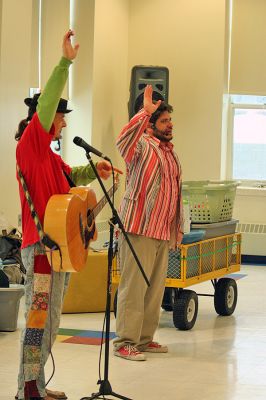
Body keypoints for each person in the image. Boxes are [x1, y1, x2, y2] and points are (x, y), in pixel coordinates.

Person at [15, 30, 111, 400]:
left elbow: (69, 178)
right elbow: (45, 105)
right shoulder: (31, 144)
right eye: (62, 115)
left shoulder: (50, 157)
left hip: (56, 250)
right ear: (47, 116)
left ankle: (36, 384)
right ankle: (28, 390)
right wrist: (65, 62)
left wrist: (94, 172)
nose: (65, 122)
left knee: (50, 319)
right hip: (40, 248)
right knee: (38, 321)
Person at [113, 85, 183, 361]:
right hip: (138, 229)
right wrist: (144, 112)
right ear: (151, 125)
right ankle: (124, 342)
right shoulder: (140, 147)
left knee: (155, 291)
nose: (170, 125)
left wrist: (175, 231)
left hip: (161, 232)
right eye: (164, 121)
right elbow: (122, 140)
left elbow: (175, 195)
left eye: (170, 120)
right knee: (134, 288)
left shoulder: (170, 153)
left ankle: (143, 339)